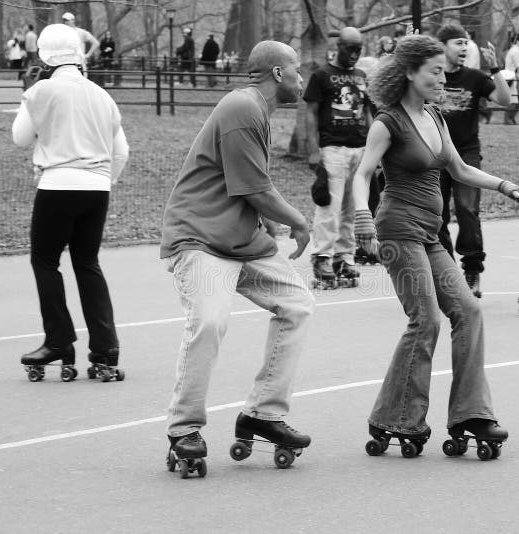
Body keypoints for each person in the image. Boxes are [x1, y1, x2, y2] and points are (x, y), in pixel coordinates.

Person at [352, 34, 519, 456]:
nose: (441, 76)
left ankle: (471, 413)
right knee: (426, 318)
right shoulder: (388, 121)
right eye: (434, 70)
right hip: (397, 230)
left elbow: (461, 169)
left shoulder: (435, 116)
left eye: (442, 70)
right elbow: (362, 174)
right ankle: (397, 416)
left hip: (429, 235)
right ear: (409, 73)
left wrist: (503, 185)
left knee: (467, 310)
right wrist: (362, 221)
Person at [160, 41, 314, 469]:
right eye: (297, 70)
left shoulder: (255, 111)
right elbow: (254, 189)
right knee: (209, 322)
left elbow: (246, 181)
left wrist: (270, 225)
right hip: (200, 237)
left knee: (297, 304)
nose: (302, 79)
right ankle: (184, 427)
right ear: (278, 74)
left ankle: (263, 414)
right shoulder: (243, 106)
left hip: (240, 240)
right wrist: (299, 222)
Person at [12, 24, 129, 381]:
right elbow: (121, 151)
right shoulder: (100, 94)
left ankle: (59, 341)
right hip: (97, 187)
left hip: (57, 184)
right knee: (87, 262)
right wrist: (102, 179)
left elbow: (20, 138)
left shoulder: (42, 90)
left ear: (44, 56)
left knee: (45, 261)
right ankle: (106, 350)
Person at [435, 24, 511, 298]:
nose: (465, 48)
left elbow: (505, 99)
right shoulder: (432, 75)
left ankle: (472, 270)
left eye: (466, 43)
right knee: (437, 215)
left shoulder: (475, 78)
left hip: (466, 152)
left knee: (467, 209)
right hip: (434, 153)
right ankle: (446, 272)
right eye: (458, 43)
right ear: (442, 46)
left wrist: (495, 69)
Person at [304, 26, 372, 287]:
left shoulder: (361, 76)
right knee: (329, 207)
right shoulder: (321, 76)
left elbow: (367, 111)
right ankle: (322, 255)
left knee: (352, 208)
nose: (355, 54)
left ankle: (344, 257)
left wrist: (372, 147)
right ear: (339, 47)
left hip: (359, 149)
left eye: (359, 49)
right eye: (350, 48)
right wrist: (312, 150)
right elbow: (311, 113)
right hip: (332, 149)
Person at [504, 33, 519, 125]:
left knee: (518, 98)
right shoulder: (515, 51)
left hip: (511, 77)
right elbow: (518, 66)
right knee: (514, 99)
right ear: (518, 40)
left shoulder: (512, 50)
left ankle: (510, 118)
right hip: (513, 78)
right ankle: (508, 119)